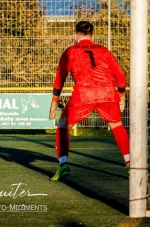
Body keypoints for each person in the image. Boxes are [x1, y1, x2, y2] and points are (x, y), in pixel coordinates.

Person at [48, 21, 129, 181]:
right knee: (117, 126)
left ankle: (63, 165)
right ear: (93, 36)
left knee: (63, 127)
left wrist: (55, 101)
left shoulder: (70, 51)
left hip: (84, 94)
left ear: (75, 35)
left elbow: (60, 78)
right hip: (107, 93)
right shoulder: (104, 51)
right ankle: (130, 164)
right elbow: (120, 76)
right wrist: (121, 96)